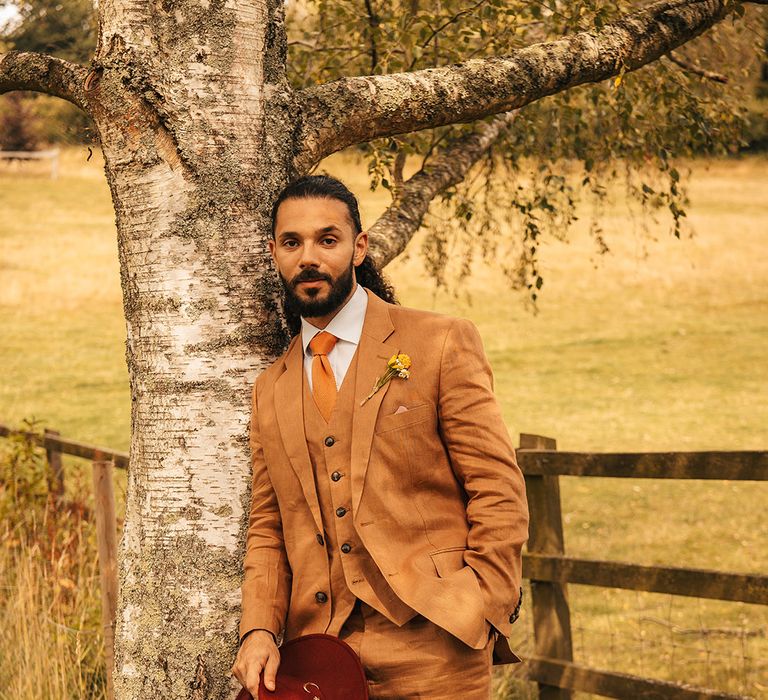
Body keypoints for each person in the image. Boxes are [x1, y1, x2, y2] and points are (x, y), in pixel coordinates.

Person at [231, 175, 529, 699]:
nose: (309, 258)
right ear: (274, 252)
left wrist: (483, 602)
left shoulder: (437, 342)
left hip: (438, 645)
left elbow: (498, 487)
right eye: (292, 242)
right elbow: (267, 525)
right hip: (320, 660)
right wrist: (258, 627)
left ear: (358, 247)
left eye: (327, 239)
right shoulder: (270, 389)